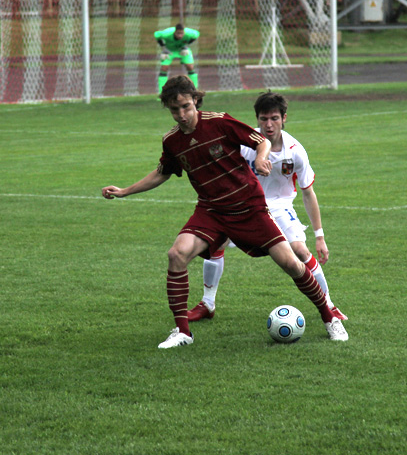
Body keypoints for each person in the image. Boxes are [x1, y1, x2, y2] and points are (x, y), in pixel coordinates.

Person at [101, 76, 348, 349]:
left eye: (185, 106)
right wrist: (124, 191)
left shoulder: (220, 122)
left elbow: (260, 141)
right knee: (177, 254)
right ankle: (183, 331)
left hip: (249, 207)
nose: (181, 115)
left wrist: (262, 157)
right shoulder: (172, 141)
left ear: (195, 100)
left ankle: (329, 317)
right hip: (211, 211)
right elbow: (163, 173)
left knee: (292, 263)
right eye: (175, 110)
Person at [188, 91, 347, 323]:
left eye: (274, 118)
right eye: (263, 119)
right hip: (244, 205)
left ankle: (329, 305)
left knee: (300, 252)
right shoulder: (245, 145)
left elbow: (307, 193)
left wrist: (319, 236)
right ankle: (207, 304)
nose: (269, 124)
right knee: (216, 244)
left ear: (284, 118)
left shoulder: (295, 151)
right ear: (257, 119)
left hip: (280, 207)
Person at [154, 23, 199, 93]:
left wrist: (187, 45)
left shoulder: (189, 33)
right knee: (164, 67)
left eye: (182, 33)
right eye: (178, 33)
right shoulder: (167, 33)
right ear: (175, 32)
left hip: (182, 50)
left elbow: (197, 34)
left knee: (190, 66)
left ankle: (195, 90)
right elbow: (156, 35)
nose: (180, 35)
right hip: (169, 50)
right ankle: (162, 92)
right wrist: (163, 47)